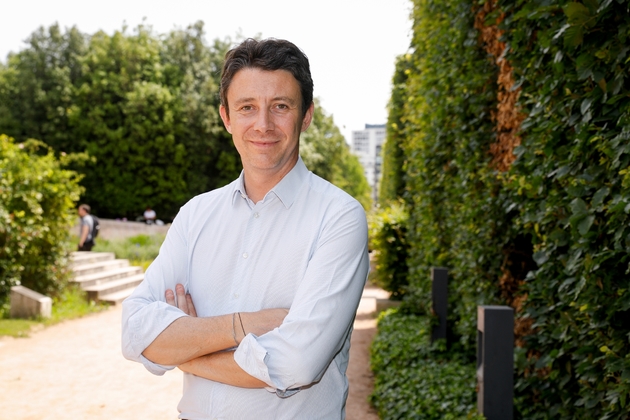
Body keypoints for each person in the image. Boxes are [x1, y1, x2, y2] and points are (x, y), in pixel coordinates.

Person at [121, 38, 369, 419]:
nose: (263, 125)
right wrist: (247, 326)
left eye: (281, 107)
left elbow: (296, 365)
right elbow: (135, 330)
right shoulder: (195, 214)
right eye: (247, 107)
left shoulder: (339, 218)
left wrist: (186, 348)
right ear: (226, 118)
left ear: (306, 116)